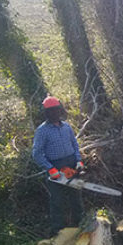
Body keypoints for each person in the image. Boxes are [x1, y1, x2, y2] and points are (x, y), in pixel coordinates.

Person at [32, 95, 85, 235]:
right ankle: (58, 231)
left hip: (71, 163)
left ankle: (80, 224)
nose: (54, 113)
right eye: (50, 111)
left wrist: (78, 161)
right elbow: (37, 153)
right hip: (54, 166)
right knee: (57, 201)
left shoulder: (66, 126)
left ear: (59, 110)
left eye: (56, 110)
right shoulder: (42, 131)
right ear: (46, 113)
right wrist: (50, 169)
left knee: (76, 197)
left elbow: (74, 144)